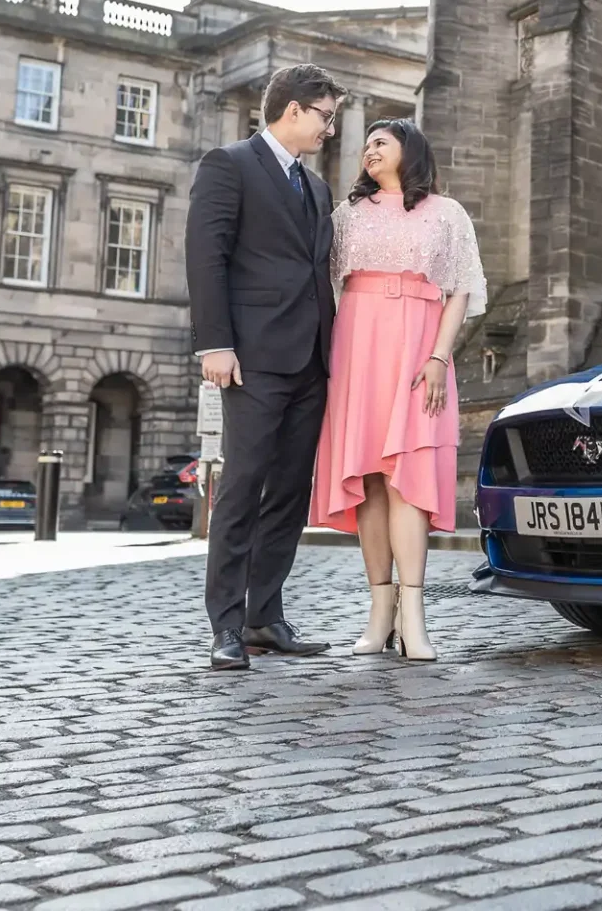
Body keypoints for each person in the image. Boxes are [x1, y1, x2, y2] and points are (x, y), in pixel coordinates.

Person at [186, 64, 346, 672]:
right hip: (251, 357)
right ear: (296, 110)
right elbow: (207, 257)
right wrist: (215, 344)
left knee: (288, 492)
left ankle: (264, 616)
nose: (330, 128)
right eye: (326, 116)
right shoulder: (228, 165)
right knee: (242, 487)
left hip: (311, 359)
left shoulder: (317, 188)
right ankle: (225, 625)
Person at [311, 118, 486, 661]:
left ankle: (415, 616)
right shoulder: (346, 215)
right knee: (367, 477)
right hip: (357, 349)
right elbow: (322, 284)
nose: (369, 150)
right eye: (365, 144)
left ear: (410, 150)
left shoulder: (447, 214)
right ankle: (379, 611)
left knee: (407, 477)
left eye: (380, 142)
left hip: (418, 349)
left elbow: (459, 290)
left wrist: (438, 356)